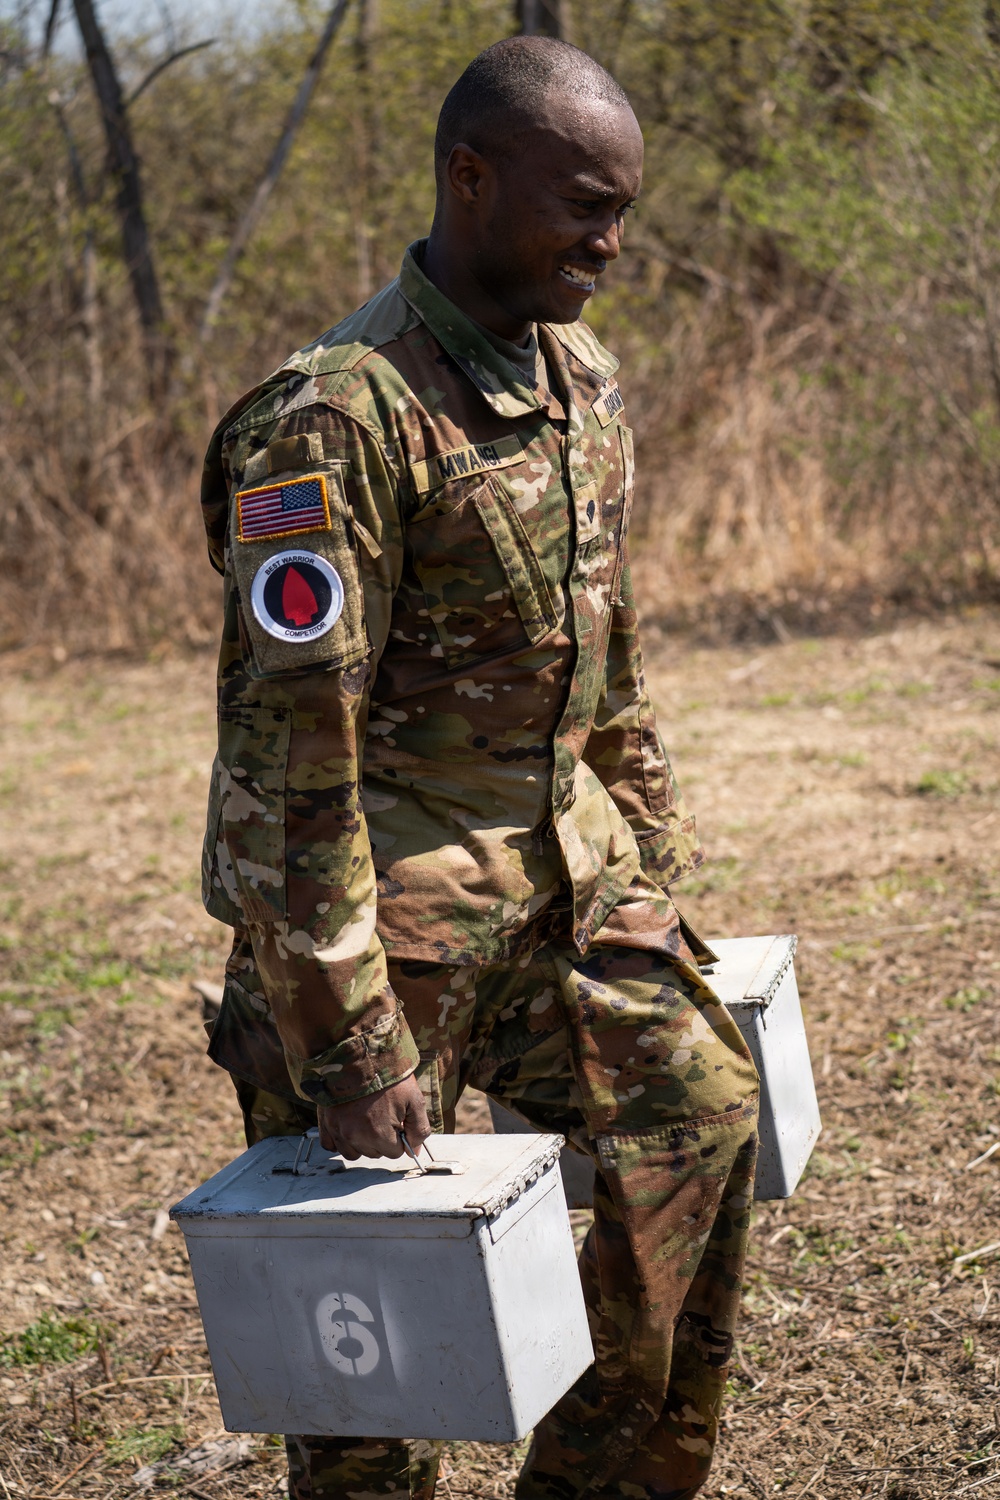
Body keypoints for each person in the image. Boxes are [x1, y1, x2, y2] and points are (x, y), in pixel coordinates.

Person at [198, 34, 758, 1500]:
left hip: (566, 887)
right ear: (470, 175)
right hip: (391, 939)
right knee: (362, 1351)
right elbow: (287, 765)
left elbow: (606, 649)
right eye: (585, 204)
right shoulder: (336, 420)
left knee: (697, 1116)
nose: (611, 242)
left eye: (623, 209)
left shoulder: (581, 376)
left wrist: (654, 863)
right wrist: (347, 1040)